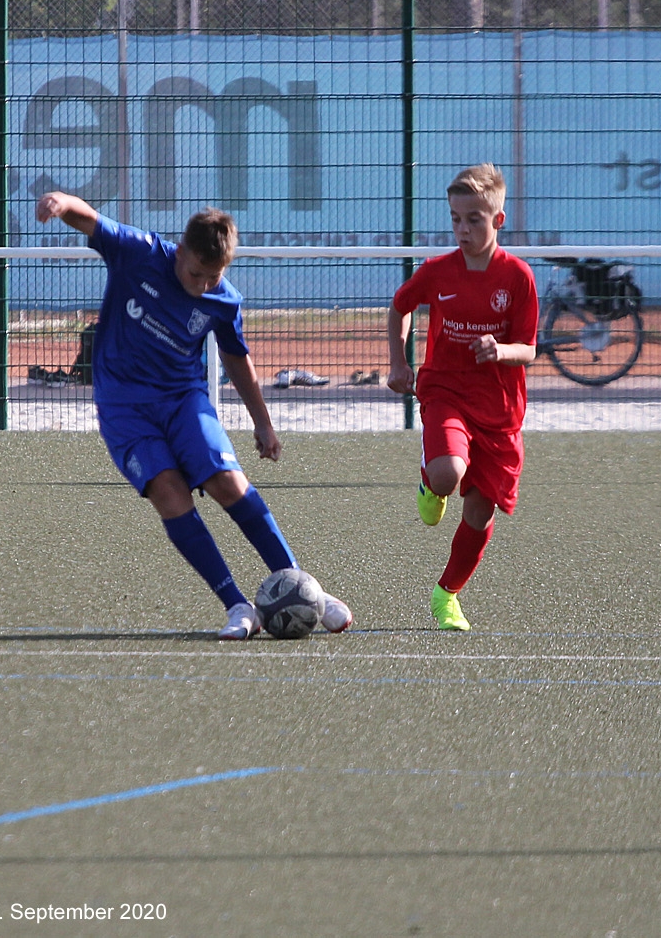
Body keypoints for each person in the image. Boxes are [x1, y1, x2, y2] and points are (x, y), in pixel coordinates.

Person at [35, 191, 352, 640]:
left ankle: (301, 586)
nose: (203, 285)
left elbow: (237, 359)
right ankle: (237, 605)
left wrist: (262, 421)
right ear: (179, 251)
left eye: (213, 276)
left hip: (183, 399)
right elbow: (91, 221)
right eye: (195, 273)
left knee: (228, 483)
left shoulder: (224, 299)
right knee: (168, 491)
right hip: (123, 406)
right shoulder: (139, 253)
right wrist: (61, 203)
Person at [387, 163, 538, 631]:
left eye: (474, 218)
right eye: (456, 218)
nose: (463, 228)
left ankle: (446, 594)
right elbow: (399, 308)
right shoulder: (438, 271)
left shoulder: (518, 278)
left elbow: (529, 349)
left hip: (498, 408)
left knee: (480, 510)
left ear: (498, 220)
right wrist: (399, 362)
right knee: (449, 472)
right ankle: (431, 481)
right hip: (446, 390)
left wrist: (501, 350)